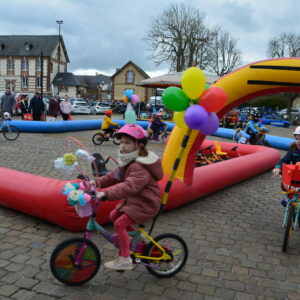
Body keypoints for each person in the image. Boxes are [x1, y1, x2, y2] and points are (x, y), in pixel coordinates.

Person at [95, 124, 163, 270]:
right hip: (135, 201)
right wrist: (96, 183)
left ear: (138, 146)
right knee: (113, 215)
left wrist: (106, 194)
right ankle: (137, 237)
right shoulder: (128, 162)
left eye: (127, 143)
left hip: (146, 203)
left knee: (119, 224)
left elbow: (129, 186)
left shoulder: (140, 167)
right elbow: (113, 176)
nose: (122, 146)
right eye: (121, 142)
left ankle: (125, 259)